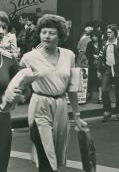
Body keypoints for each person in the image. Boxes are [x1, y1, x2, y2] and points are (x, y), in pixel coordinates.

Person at [20, 14, 87, 172]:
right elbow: (18, 83)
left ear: (60, 35)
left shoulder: (69, 55)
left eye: (51, 33)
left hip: (61, 107)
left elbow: (72, 87)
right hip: (39, 106)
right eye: (43, 32)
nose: (46, 36)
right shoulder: (28, 58)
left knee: (55, 156)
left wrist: (76, 116)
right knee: (46, 157)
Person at [0, 11, 25, 172]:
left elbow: (26, 89)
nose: (1, 31)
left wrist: (19, 95)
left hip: (2, 120)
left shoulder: (9, 60)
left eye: (4, 27)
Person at [97, 24, 119, 122]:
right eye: (107, 32)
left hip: (117, 69)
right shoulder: (104, 43)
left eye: (110, 32)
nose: (108, 34)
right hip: (107, 69)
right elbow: (100, 57)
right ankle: (107, 111)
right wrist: (98, 70)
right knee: (104, 90)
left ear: (115, 33)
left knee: (118, 92)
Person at [85, 30, 102, 103]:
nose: (94, 37)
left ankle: (100, 98)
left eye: (95, 36)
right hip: (92, 64)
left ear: (98, 36)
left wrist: (100, 56)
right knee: (90, 81)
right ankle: (88, 96)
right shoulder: (89, 44)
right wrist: (92, 55)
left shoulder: (102, 44)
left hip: (100, 65)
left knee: (100, 81)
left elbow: (104, 53)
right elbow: (87, 53)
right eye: (93, 36)